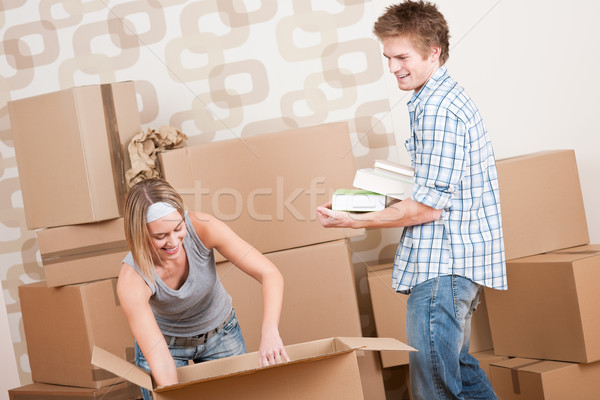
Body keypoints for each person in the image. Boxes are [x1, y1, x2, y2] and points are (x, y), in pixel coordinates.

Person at [317, 1, 506, 399]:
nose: (393, 68)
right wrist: (369, 196)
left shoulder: (439, 109)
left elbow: (429, 208)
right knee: (461, 373)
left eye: (401, 56)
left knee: (433, 388)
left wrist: (357, 222)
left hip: (444, 266)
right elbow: (434, 186)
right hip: (453, 264)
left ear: (433, 50)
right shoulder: (433, 99)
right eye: (388, 57)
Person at [117, 178, 290, 400]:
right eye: (160, 236)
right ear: (139, 236)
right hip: (166, 345)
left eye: (178, 228)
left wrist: (270, 332)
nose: (173, 242)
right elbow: (159, 357)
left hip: (221, 333)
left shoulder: (203, 227)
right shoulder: (133, 279)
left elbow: (270, 274)